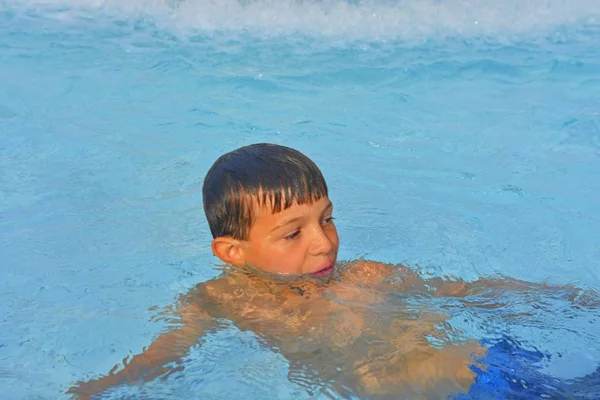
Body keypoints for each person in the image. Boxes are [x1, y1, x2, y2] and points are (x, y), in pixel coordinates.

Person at [68, 143, 593, 399]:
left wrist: (573, 298)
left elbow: (469, 293)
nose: (324, 244)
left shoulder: (363, 275)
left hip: (480, 373)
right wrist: (103, 385)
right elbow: (168, 356)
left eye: (328, 218)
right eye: (293, 233)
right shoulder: (220, 301)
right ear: (232, 252)